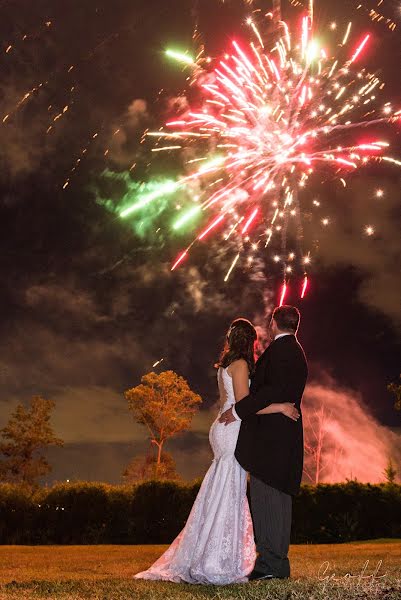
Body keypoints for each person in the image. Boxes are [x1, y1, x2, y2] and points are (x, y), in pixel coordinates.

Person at [134, 318, 300, 585]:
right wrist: (280, 407)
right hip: (232, 429)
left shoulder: (226, 364)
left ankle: (211, 552)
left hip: (222, 427)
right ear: (250, 342)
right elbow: (245, 405)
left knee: (221, 488)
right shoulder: (242, 365)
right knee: (228, 491)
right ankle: (215, 558)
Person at [219, 305, 308, 581]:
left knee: (267, 500)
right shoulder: (296, 351)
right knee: (278, 502)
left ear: (274, 323)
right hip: (284, 439)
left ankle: (270, 564)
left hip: (271, 440)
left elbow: (271, 390)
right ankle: (277, 564)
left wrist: (238, 410)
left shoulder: (282, 351)